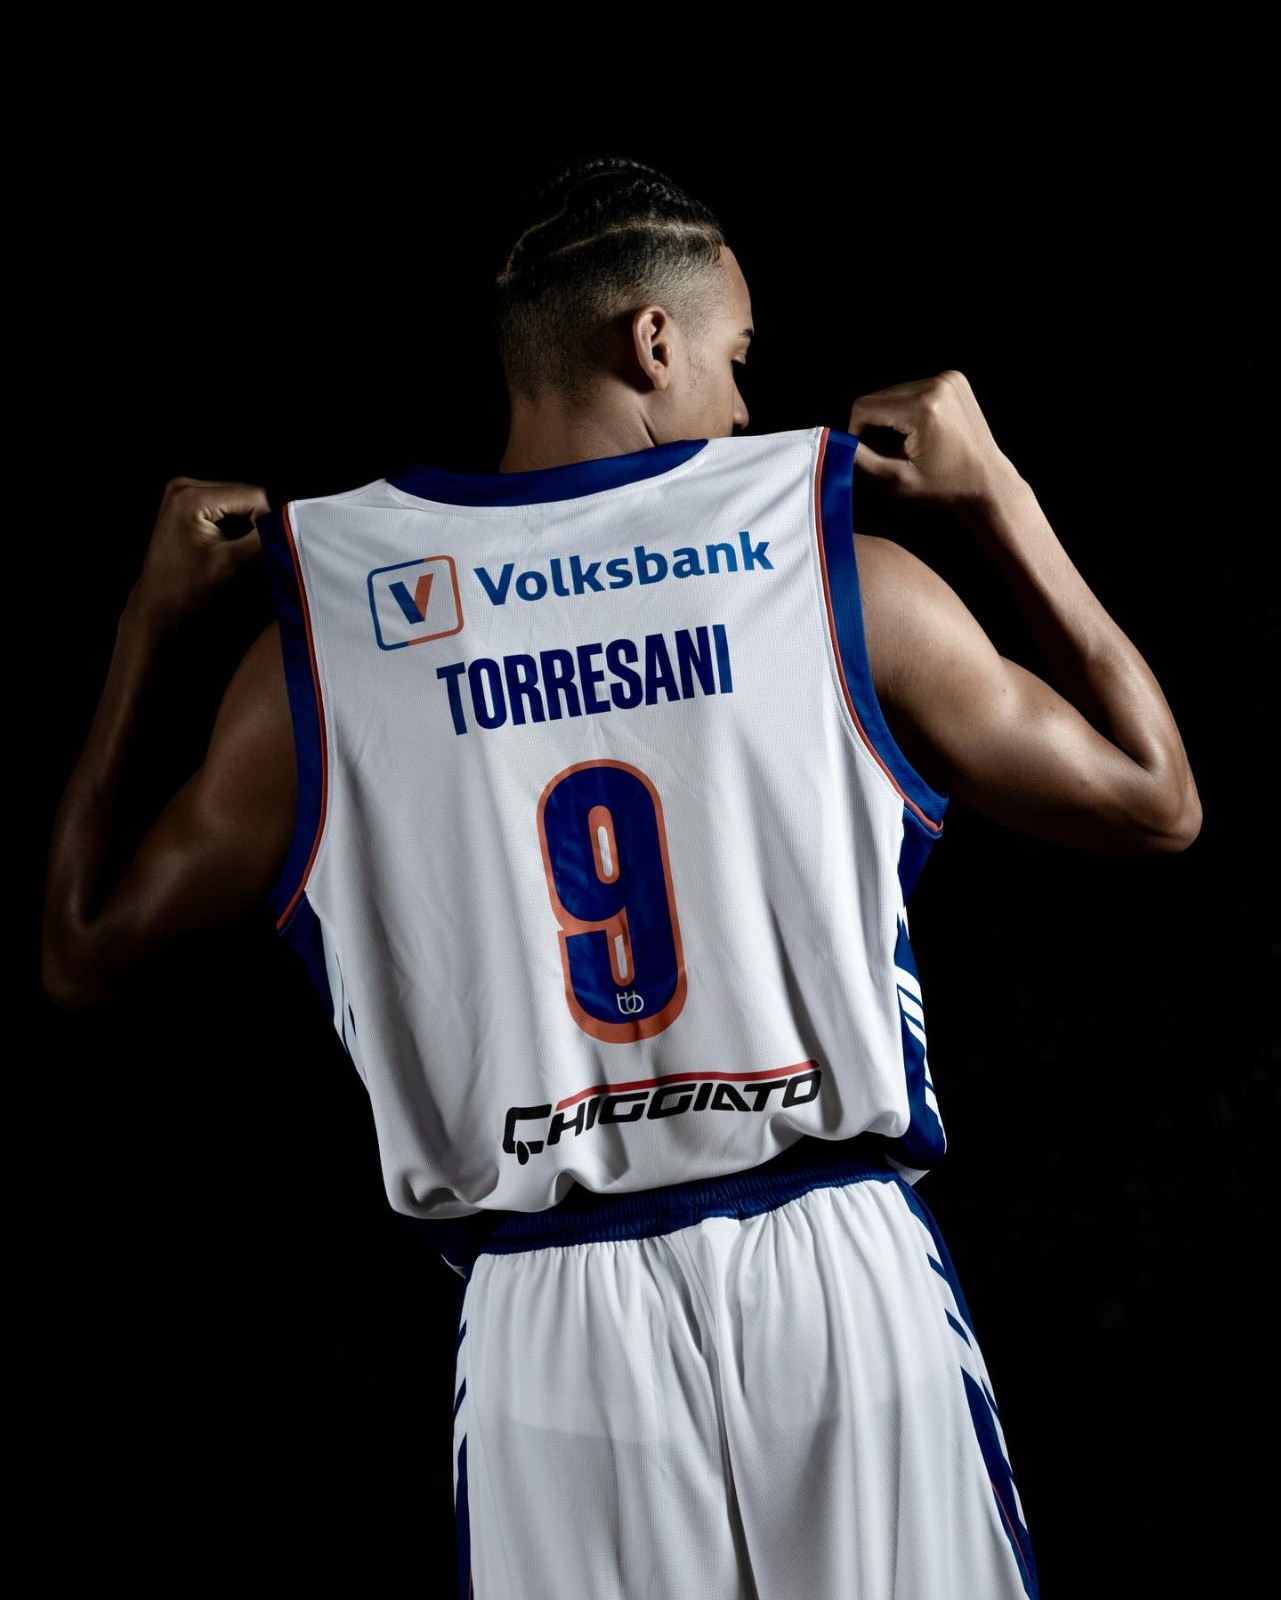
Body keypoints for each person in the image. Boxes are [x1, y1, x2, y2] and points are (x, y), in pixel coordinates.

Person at [41, 155, 1201, 1599]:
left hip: (550, 1319)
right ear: (653, 341)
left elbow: (82, 946)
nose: (744, 407)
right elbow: (1156, 802)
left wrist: (146, 630)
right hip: (833, 1266)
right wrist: (999, 496)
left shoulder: (325, 650)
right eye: (737, 357)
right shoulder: (836, 576)